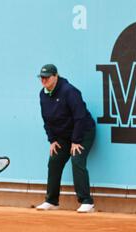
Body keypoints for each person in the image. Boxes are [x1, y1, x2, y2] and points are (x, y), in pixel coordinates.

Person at [36, 64, 96, 213]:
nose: (44, 80)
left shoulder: (69, 91)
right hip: (63, 136)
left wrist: (76, 140)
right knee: (54, 160)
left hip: (83, 132)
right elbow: (46, 119)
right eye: (42, 78)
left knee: (77, 159)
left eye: (47, 77)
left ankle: (86, 201)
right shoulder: (42, 94)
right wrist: (52, 140)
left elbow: (80, 117)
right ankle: (52, 201)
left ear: (56, 76)